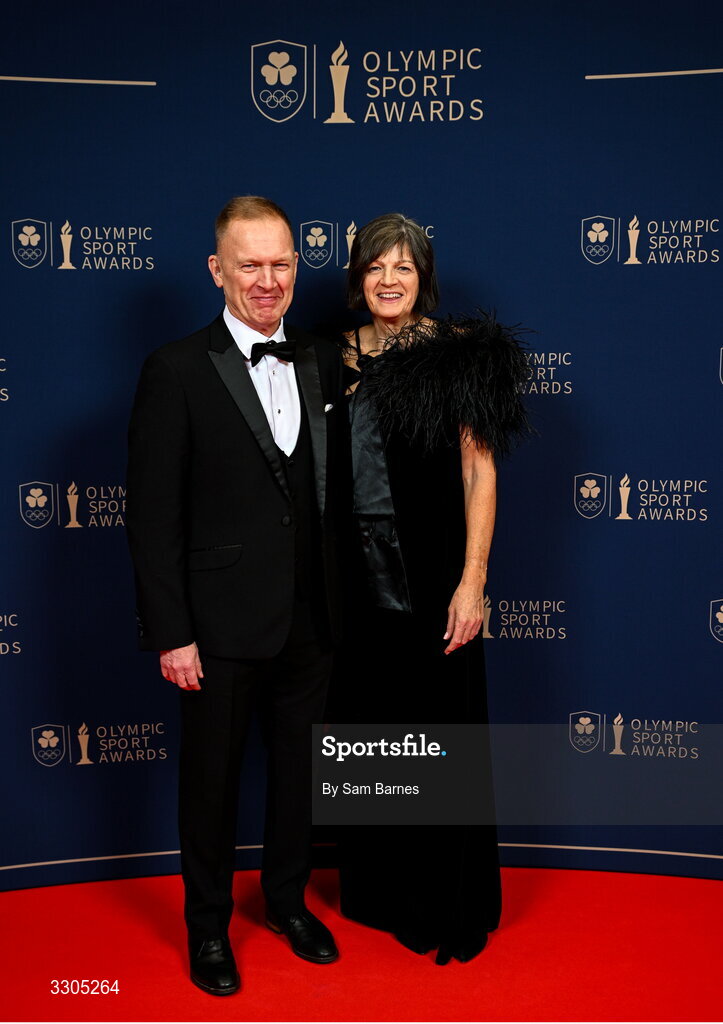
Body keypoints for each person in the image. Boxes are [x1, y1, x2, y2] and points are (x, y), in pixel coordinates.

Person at [126, 196, 346, 996]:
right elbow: (153, 520)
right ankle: (208, 929)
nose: (266, 280)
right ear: (217, 270)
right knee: (211, 788)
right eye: (248, 264)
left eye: (280, 263)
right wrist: (170, 632)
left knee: (299, 779)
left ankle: (286, 902)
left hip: (311, 620)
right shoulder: (175, 368)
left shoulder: (323, 360)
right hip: (215, 628)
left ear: (297, 266)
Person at [330, 213, 529, 965]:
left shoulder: (456, 355)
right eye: (376, 266)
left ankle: (446, 898)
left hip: (438, 571)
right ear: (357, 277)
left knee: (437, 733)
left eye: (403, 268)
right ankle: (382, 892)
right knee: (369, 729)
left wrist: (472, 581)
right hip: (355, 581)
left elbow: (480, 470)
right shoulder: (328, 356)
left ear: (423, 279)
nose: (388, 279)